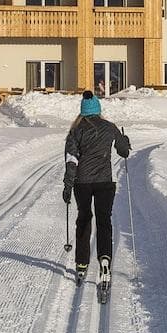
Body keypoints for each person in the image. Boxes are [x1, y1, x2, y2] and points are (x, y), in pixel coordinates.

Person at [63, 92, 132, 281]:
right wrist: (125, 141)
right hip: (104, 182)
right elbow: (123, 152)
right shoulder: (110, 127)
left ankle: (81, 263)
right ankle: (105, 259)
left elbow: (71, 160)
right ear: (98, 109)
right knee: (104, 221)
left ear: (82, 111)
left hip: (82, 183)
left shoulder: (76, 130)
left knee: (84, 219)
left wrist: (68, 185)